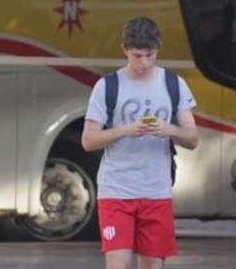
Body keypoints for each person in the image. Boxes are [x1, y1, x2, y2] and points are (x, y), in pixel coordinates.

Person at [82, 17, 198, 269]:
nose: (144, 63)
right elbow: (89, 140)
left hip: (156, 191)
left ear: (158, 49)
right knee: (117, 264)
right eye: (137, 56)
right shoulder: (107, 87)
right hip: (116, 190)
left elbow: (192, 139)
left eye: (150, 55)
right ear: (125, 50)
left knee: (153, 265)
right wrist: (124, 130)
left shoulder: (173, 84)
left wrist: (169, 130)